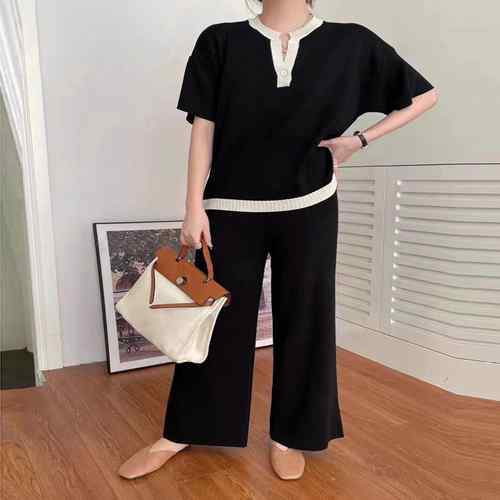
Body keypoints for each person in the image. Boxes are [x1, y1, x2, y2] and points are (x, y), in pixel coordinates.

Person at [118, 0, 438, 481]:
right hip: (229, 207)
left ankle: (290, 435)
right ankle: (183, 430)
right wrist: (192, 206)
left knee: (306, 320)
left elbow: (424, 96)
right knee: (215, 325)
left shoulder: (350, 42)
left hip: (310, 204)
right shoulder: (220, 40)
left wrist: (359, 140)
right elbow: (204, 127)